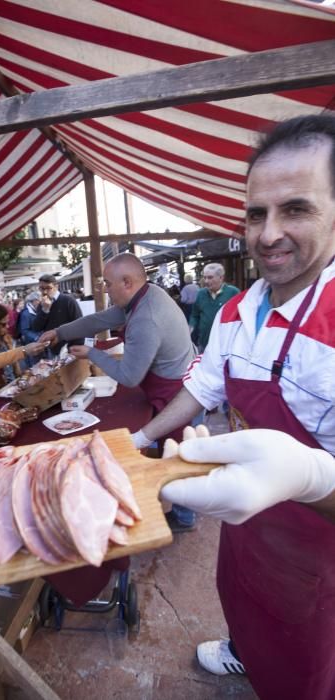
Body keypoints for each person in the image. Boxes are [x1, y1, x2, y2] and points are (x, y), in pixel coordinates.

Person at [132, 114, 335, 699]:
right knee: (242, 596)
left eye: (295, 209)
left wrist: (312, 477)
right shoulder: (235, 311)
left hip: (319, 538)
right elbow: (204, 387)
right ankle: (243, 651)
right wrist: (143, 440)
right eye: (256, 213)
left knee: (306, 659)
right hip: (246, 517)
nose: (268, 233)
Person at [40, 253, 197, 531]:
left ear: (127, 282)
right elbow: (99, 320)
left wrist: (91, 353)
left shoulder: (145, 318)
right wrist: (60, 332)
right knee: (172, 452)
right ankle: (181, 510)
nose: (105, 289)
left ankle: (184, 517)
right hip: (172, 380)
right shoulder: (145, 295)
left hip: (175, 392)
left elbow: (130, 376)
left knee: (177, 455)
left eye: (108, 284)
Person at [189, 263, 239, 352]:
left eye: (210, 277)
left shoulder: (233, 293)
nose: (206, 281)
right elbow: (194, 315)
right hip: (204, 344)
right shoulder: (201, 294)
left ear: (221, 278)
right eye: (205, 277)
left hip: (226, 345)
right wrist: (191, 327)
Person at [32, 274, 83, 355]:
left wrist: (77, 346)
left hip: (70, 348)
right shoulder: (41, 304)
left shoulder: (68, 300)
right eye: (42, 288)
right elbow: (36, 327)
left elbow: (79, 324)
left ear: (56, 287)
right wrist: (45, 310)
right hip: (51, 349)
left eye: (48, 288)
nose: (44, 292)